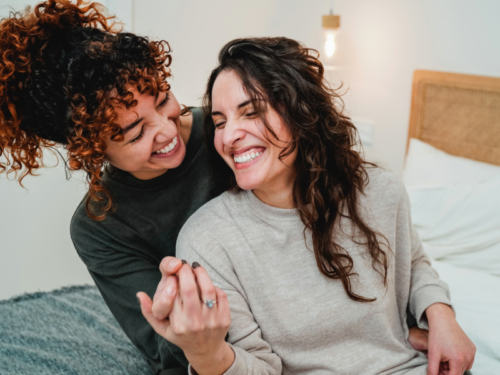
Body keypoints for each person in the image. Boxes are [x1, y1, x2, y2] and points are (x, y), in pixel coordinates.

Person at [0, 1, 450, 374]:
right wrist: (206, 344)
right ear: (93, 150)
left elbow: (376, 225)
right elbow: (168, 352)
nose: (167, 131)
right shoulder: (102, 226)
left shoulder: (230, 133)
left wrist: (417, 317)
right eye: (135, 133)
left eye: (163, 100)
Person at [138, 37, 476, 375]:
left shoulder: (376, 186)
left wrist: (442, 314)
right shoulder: (208, 239)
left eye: (251, 112)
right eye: (220, 122)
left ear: (300, 111)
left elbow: (411, 259)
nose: (228, 137)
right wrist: (208, 356)